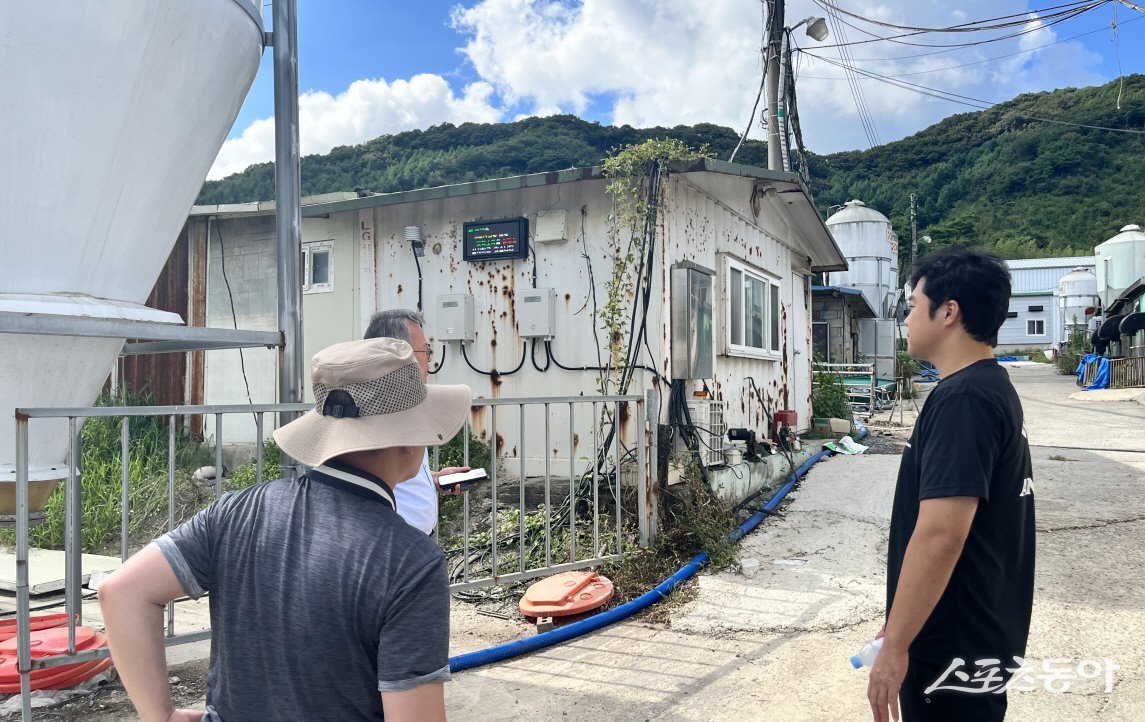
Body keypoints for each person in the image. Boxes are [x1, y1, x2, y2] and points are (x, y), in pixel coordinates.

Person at [99, 339, 472, 722]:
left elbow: (121, 591)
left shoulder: (236, 510)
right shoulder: (410, 561)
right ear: (409, 441)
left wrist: (161, 715)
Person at [868, 247, 1035, 722]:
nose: (905, 319)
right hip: (972, 631)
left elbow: (941, 535)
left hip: (953, 644)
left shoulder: (964, 399)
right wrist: (900, 625)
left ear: (948, 312)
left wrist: (896, 648)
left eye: (913, 305)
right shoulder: (987, 386)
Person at [364, 309, 470, 534]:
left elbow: (392, 470)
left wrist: (434, 479)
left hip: (411, 538)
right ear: (400, 353)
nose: (429, 358)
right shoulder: (368, 410)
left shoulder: (405, 401)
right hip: (392, 540)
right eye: (425, 350)